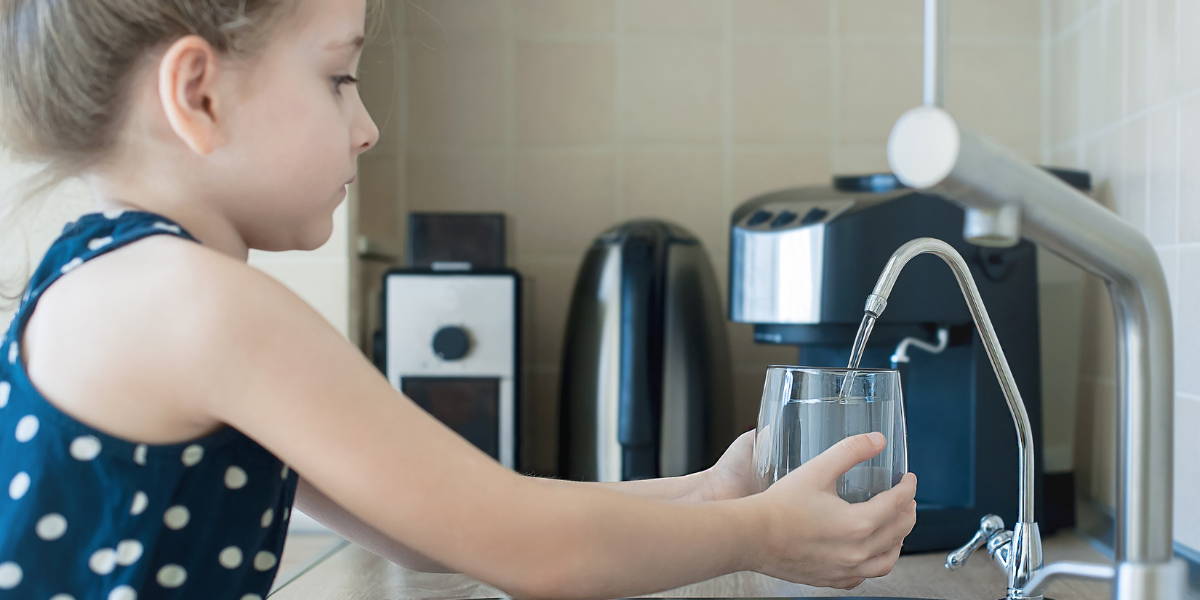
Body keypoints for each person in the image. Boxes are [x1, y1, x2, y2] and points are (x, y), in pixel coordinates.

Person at [0, 1, 918, 598]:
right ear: (196, 93)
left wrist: (715, 493)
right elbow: (531, 546)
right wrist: (757, 535)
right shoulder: (200, 305)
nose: (367, 130)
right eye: (337, 78)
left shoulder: (108, 279)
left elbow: (442, 529)